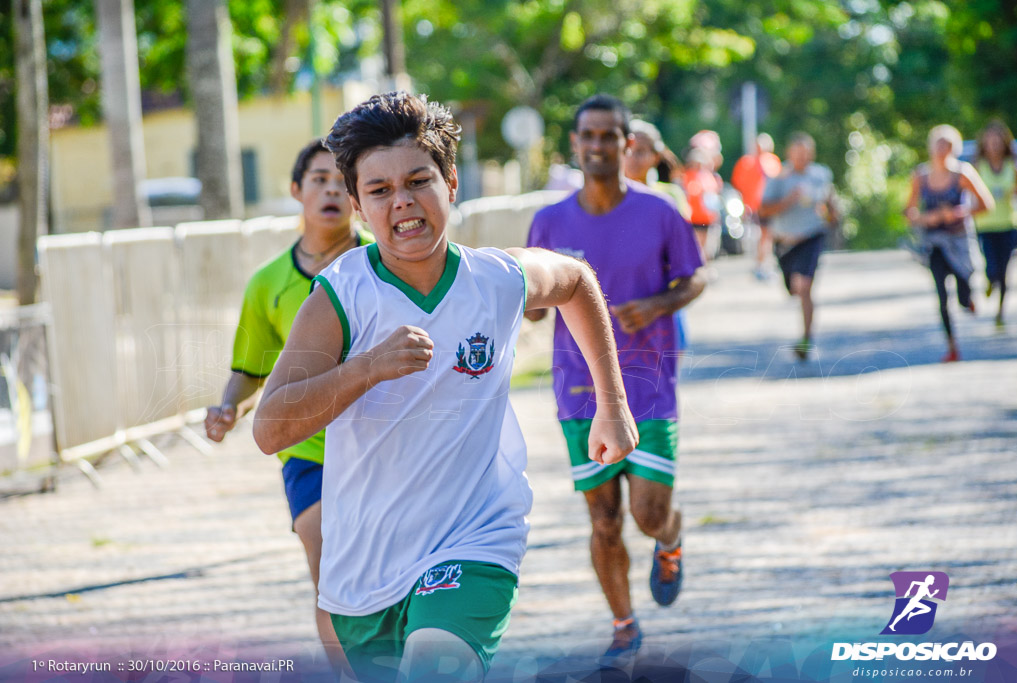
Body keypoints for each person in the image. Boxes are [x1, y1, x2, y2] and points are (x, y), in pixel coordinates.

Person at [251, 91, 638, 683]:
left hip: (475, 536)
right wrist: (366, 368)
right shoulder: (340, 295)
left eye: (418, 181)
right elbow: (271, 426)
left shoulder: (496, 279)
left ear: (451, 182)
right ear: (357, 204)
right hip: (365, 568)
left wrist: (612, 405)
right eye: (379, 191)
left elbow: (575, 281)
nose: (403, 203)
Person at [526, 94, 706, 659]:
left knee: (648, 514)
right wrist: (522, 302)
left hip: (650, 388)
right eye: (589, 136)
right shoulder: (550, 221)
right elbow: (532, 301)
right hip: (578, 392)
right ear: (575, 145)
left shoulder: (660, 212)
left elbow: (695, 278)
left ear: (628, 144)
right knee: (604, 520)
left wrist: (655, 305)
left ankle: (670, 540)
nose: (599, 145)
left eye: (610, 136)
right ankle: (624, 624)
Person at [204, 139, 372, 673]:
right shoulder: (267, 284)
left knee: (388, 573)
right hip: (309, 451)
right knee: (328, 575)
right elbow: (250, 368)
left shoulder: (384, 263)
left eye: (342, 182)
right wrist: (227, 407)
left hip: (382, 444)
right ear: (296, 190)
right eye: (319, 179)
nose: (331, 190)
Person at [903, 124, 994, 362]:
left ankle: (968, 298)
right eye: (938, 145)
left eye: (947, 145)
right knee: (942, 295)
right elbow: (908, 211)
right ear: (931, 147)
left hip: (960, 241)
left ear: (955, 148)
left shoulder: (963, 174)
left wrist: (960, 213)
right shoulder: (920, 176)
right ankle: (952, 346)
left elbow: (986, 204)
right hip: (934, 243)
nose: (942, 150)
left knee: (963, 290)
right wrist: (928, 218)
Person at [759, 132, 841, 361]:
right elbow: (763, 211)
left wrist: (832, 211)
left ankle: (806, 339)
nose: (802, 159)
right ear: (789, 155)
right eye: (798, 154)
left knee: (804, 287)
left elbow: (830, 203)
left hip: (811, 236)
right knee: (794, 289)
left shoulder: (821, 175)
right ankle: (805, 329)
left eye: (806, 154)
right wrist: (789, 201)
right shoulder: (779, 177)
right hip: (784, 242)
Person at [625, 120, 693, 353]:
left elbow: (683, 248)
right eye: (628, 151)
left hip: (663, 295)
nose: (633, 158)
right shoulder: (603, 201)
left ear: (655, 156)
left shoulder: (669, 196)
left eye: (641, 152)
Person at [973, 119, 1017, 327]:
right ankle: (989, 280)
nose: (994, 145)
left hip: (1008, 223)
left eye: (998, 141)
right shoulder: (977, 167)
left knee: (1004, 269)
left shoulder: (1015, 167)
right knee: (991, 266)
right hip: (985, 224)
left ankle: (1000, 311)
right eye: (990, 141)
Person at [731, 132, 782, 279]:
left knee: (769, 235)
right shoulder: (746, 162)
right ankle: (760, 264)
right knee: (759, 235)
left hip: (770, 205)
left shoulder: (773, 161)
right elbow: (738, 184)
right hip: (753, 206)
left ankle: (765, 263)